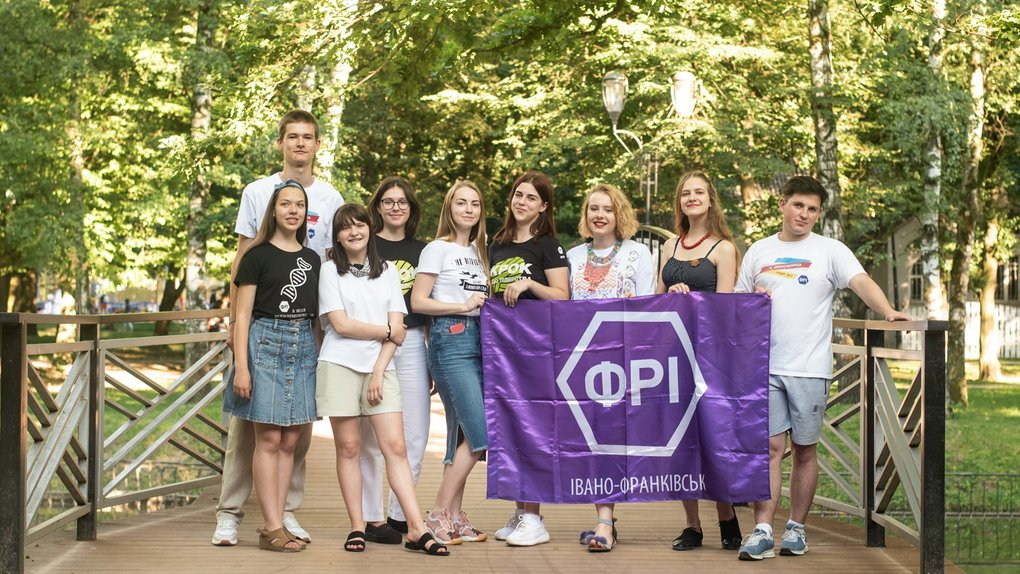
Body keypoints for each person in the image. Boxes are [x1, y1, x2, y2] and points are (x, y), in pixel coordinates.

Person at [734, 175, 909, 561]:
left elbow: (860, 281)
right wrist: (752, 299)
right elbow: (736, 304)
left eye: (812, 209)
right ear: (782, 204)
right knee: (770, 448)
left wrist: (887, 311)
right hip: (764, 366)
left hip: (810, 368)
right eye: (798, 205)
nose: (804, 214)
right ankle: (762, 530)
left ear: (819, 214)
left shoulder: (830, 250)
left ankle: (796, 528)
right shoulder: (759, 251)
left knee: (804, 450)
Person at [212, 110, 344, 547]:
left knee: (295, 433)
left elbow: (334, 262)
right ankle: (230, 512)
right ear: (281, 143)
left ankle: (285, 513)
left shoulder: (330, 197)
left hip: (307, 330)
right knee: (249, 430)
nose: (300, 143)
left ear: (318, 144)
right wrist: (236, 330)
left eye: (308, 137)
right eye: (293, 136)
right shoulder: (256, 191)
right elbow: (242, 257)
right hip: (262, 329)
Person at [316, 204, 448, 556]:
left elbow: (399, 329)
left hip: (381, 368)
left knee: (396, 447)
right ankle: (358, 526)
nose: (354, 232)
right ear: (337, 236)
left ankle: (417, 529)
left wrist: (378, 369)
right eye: (345, 228)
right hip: (339, 365)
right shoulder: (329, 270)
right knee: (349, 448)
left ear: (368, 228)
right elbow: (340, 325)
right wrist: (385, 331)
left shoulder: (387, 270)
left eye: (359, 225)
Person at [221, 180, 320, 552]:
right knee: (268, 439)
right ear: (273, 211)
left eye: (299, 205)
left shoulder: (312, 259)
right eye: (285, 204)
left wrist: (318, 360)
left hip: (303, 347)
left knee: (290, 442)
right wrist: (241, 367)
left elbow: (315, 318)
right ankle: (271, 527)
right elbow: (242, 317)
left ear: (305, 213)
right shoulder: (257, 255)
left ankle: (279, 523)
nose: (292, 210)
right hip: (264, 345)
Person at [656, 171, 743, 552]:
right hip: (671, 356)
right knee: (680, 440)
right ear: (680, 201)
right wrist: (671, 296)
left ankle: (725, 512)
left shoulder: (723, 249)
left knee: (711, 437)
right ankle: (692, 525)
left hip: (709, 356)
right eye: (685, 193)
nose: (691, 198)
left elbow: (725, 309)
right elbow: (655, 303)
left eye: (699, 193)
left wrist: (692, 300)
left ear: (710, 200)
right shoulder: (668, 246)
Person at [566, 182, 655, 552]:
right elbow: (562, 309)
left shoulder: (638, 254)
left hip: (621, 363)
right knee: (589, 441)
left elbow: (651, 309)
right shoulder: (572, 256)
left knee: (610, 439)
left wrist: (636, 305)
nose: (599, 215)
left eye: (607, 209)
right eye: (593, 208)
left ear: (620, 214)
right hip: (579, 363)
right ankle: (605, 518)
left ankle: (604, 520)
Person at [488, 171, 569, 547]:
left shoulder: (547, 245)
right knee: (512, 429)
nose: (522, 202)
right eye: (518, 195)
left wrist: (530, 284)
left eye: (531, 198)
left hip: (538, 350)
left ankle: (535, 518)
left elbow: (563, 296)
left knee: (534, 430)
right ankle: (522, 512)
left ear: (543, 206)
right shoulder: (498, 243)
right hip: (504, 351)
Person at [410, 180, 489, 545]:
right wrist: (461, 305)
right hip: (451, 337)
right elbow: (418, 301)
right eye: (461, 202)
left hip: (481, 341)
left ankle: (455, 517)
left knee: (461, 433)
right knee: (481, 432)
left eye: (474, 203)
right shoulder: (436, 249)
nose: (468, 209)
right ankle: (438, 513)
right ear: (450, 208)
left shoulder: (480, 252)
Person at [358, 177, 431, 545]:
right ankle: (372, 518)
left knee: (415, 433)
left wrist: (433, 359)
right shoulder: (365, 246)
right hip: (373, 342)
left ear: (411, 208)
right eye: (388, 201)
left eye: (402, 202)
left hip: (413, 342)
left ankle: (400, 514)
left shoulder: (425, 250)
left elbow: (429, 304)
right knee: (371, 439)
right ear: (378, 207)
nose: (396, 207)